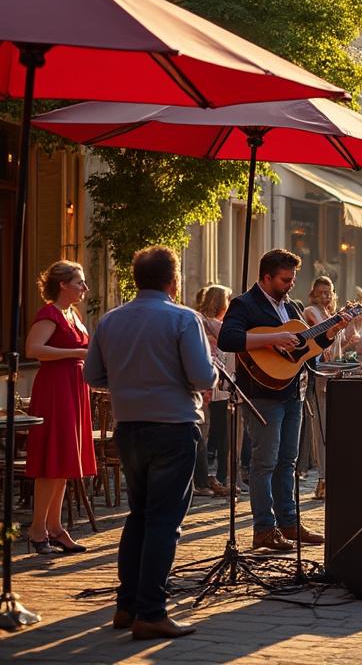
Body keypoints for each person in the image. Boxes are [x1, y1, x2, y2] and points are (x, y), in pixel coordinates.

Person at [85, 246, 216, 640]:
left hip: (129, 427)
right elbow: (202, 377)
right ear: (173, 281)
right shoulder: (183, 318)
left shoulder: (110, 320)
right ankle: (152, 612)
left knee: (138, 515)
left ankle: (127, 606)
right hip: (173, 426)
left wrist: (130, 384)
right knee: (163, 521)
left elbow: (93, 373)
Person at [219, 248, 347, 552]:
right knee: (264, 463)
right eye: (285, 279)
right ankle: (264, 529)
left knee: (288, 462)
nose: (291, 284)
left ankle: (289, 523)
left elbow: (306, 347)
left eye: (292, 279)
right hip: (262, 394)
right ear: (266, 277)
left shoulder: (292, 308)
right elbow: (228, 339)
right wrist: (271, 339)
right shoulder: (244, 304)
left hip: (292, 392)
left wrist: (332, 331)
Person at [23, 260, 95, 554]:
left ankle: (55, 527)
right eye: (79, 282)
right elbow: (33, 349)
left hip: (74, 387)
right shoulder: (49, 314)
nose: (85, 288)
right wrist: (77, 352)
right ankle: (37, 528)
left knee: (65, 459)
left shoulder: (73, 314)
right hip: (56, 388)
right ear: (63, 284)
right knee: (52, 459)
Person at [300, 276, 344, 501]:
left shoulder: (331, 315)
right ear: (314, 293)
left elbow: (337, 344)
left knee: (334, 428)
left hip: (335, 371)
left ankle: (332, 476)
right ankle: (322, 479)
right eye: (321, 292)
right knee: (321, 427)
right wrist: (338, 324)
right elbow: (318, 334)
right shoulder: (310, 311)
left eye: (329, 292)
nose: (326, 296)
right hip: (318, 374)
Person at [193, 285, 232, 499]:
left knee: (218, 432)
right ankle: (208, 476)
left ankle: (214, 476)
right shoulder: (208, 323)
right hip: (212, 383)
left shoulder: (209, 323)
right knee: (213, 433)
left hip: (220, 384)